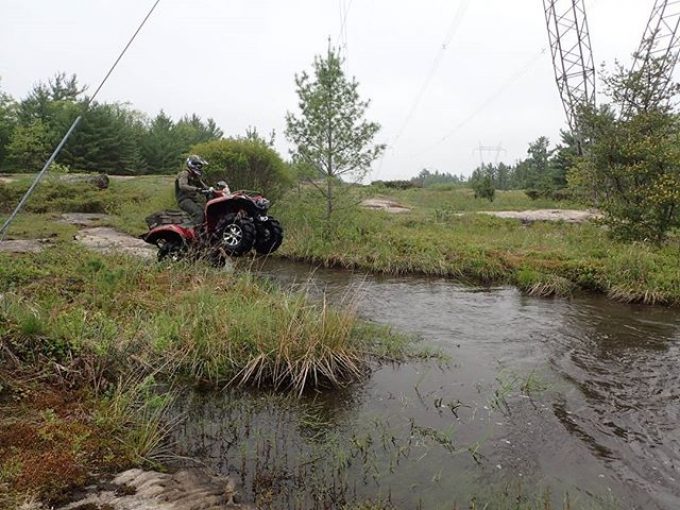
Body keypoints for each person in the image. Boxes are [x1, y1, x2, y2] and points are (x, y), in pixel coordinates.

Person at [175, 155, 208, 227]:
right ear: (192, 164)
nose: (200, 167)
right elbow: (182, 186)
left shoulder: (195, 176)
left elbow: (203, 186)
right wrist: (196, 189)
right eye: (198, 165)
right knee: (198, 213)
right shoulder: (185, 173)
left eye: (200, 166)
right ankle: (194, 234)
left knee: (206, 212)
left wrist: (213, 190)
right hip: (184, 200)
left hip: (192, 200)